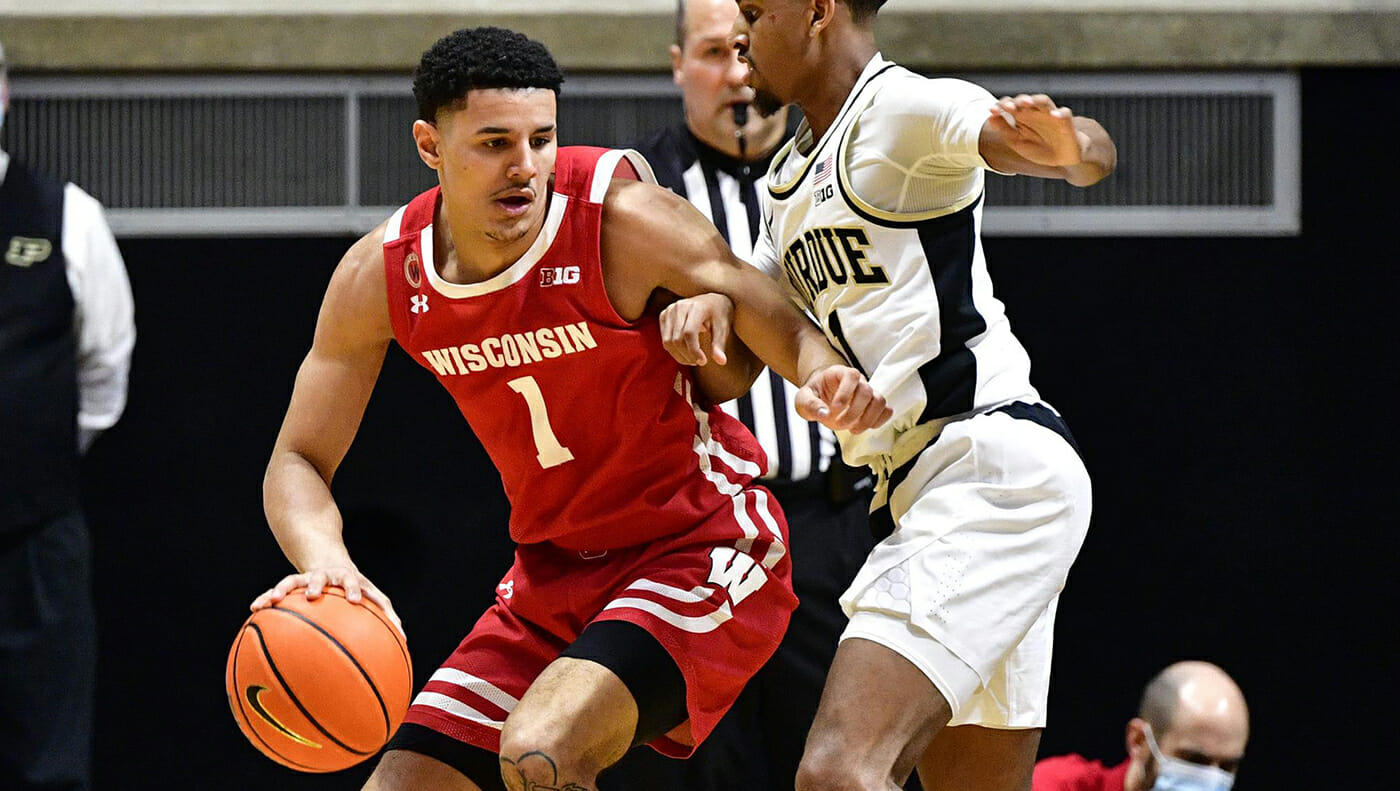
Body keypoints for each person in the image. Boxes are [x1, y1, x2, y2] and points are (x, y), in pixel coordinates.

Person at [248, 26, 890, 791]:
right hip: (551, 579)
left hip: (699, 541)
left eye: (541, 139)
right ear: (430, 146)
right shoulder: (381, 275)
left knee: (542, 748)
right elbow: (297, 459)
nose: (525, 166)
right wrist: (326, 564)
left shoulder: (619, 218)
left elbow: (773, 318)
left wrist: (825, 375)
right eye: (494, 143)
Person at [665, 1, 1119, 789]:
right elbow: (762, 315)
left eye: (756, 12)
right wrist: (710, 304)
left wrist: (1072, 148)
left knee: (838, 770)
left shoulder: (902, 107)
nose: (742, 36)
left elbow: (1078, 149)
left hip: (986, 469)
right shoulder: (787, 180)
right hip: (921, 487)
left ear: (817, 11)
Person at [601, 1, 880, 790]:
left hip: (828, 523)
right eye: (712, 53)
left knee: (835, 762)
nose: (735, 73)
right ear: (677, 67)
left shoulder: (840, 167)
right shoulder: (640, 192)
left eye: (745, 47)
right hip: (696, 530)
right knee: (694, 766)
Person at [0, 39, 137, 791]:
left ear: (3, 95)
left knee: (47, 764)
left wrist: (29, 456)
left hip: (34, 539)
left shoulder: (67, 215)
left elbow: (104, 373)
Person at [1033, 661, 1250, 791]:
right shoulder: (1058, 785)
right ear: (1138, 740)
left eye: (1227, 767)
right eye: (1193, 760)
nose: (1210, 780)